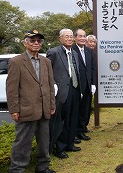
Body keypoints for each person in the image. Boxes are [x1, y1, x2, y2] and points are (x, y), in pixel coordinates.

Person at [6, 30, 56, 173]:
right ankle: (17, 169)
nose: (36, 43)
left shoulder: (46, 61)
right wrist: (14, 109)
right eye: (32, 40)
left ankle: (43, 167)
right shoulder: (16, 61)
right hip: (26, 109)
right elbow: (11, 88)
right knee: (22, 142)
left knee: (44, 142)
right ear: (25, 43)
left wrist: (52, 104)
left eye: (39, 41)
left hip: (44, 108)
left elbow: (50, 85)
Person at [47, 28, 81, 159]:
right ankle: (59, 148)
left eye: (71, 36)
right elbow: (48, 72)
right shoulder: (54, 52)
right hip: (61, 91)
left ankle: (70, 144)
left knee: (73, 118)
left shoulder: (74, 53)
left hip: (75, 89)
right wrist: (53, 85)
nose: (69, 39)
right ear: (60, 38)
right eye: (66, 36)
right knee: (61, 121)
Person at [73, 29, 96, 139]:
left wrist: (93, 83)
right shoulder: (72, 50)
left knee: (85, 109)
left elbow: (92, 69)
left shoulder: (89, 51)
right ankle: (75, 132)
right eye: (80, 36)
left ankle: (82, 129)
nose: (82, 38)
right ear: (75, 38)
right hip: (76, 85)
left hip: (87, 85)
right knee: (76, 109)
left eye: (84, 36)